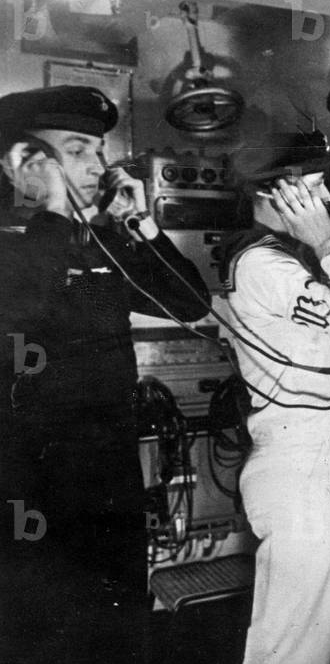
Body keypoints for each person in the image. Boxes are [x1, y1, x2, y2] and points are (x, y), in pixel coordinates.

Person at [0, 85, 211, 662]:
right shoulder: (16, 245)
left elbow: (191, 303)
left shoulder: (98, 240)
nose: (99, 165)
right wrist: (49, 213)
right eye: (78, 150)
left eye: (100, 149)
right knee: (40, 632)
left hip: (109, 470)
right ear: (22, 163)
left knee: (115, 627)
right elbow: (25, 315)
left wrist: (140, 225)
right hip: (31, 487)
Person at [221, 131, 330, 664]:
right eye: (316, 188)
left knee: (305, 636)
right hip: (299, 466)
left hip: (312, 457)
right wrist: (328, 243)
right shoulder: (266, 266)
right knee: (291, 641)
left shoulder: (280, 260)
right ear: (276, 193)